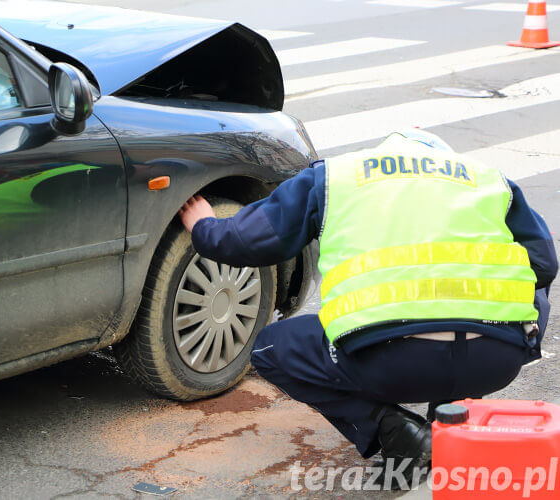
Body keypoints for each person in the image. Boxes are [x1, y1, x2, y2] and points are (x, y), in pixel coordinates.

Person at [178, 130, 558, 486]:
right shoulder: (486, 179)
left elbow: (246, 241)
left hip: (387, 363)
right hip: (494, 360)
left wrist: (205, 226)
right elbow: (543, 265)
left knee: (270, 348)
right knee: (531, 298)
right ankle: (451, 416)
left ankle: (396, 430)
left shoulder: (336, 178)